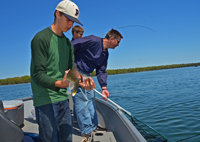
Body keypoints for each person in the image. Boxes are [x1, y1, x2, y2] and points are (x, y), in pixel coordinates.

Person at [30, 0, 95, 141]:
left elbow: (70, 71)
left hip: (63, 98)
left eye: (73, 21)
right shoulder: (41, 38)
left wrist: (82, 83)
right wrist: (62, 84)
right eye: (69, 19)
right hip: (45, 99)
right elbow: (38, 75)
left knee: (67, 139)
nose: (71, 24)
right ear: (57, 14)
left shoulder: (67, 43)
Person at [72, 29, 123, 137]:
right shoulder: (93, 40)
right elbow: (71, 46)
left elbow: (101, 71)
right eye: (118, 42)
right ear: (112, 38)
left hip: (87, 74)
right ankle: (86, 131)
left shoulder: (105, 54)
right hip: (75, 71)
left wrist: (104, 88)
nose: (118, 45)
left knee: (90, 98)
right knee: (82, 100)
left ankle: (93, 126)